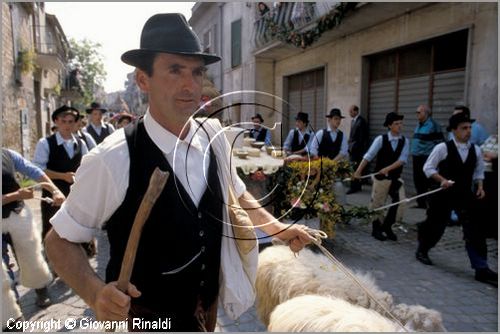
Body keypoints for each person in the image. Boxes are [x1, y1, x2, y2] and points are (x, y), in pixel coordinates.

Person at [44, 13, 311, 332]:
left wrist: (279, 229)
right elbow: (58, 241)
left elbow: (236, 195)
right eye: (175, 70)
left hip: (205, 315)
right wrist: (94, 293)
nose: (190, 85)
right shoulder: (112, 159)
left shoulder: (214, 138)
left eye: (197, 72)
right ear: (143, 80)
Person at [415, 113, 497, 287]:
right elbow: (428, 168)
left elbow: (478, 171)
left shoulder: (475, 149)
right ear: (454, 130)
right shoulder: (442, 148)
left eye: (469, 128)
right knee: (436, 225)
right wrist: (442, 180)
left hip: (465, 194)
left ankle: (481, 268)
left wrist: (480, 186)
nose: (468, 131)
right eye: (464, 128)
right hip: (444, 193)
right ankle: (422, 250)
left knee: (475, 230)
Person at [2, 148, 65, 308]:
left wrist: (54, 190)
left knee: (31, 256)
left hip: (17, 213)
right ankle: (12, 309)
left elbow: (33, 170)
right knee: (2, 271)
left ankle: (41, 290)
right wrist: (16, 196)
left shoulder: (7, 154)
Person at [33, 105, 89, 240]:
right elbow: (37, 170)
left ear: (76, 123)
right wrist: (62, 176)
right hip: (52, 194)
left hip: (75, 195)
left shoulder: (81, 144)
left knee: (75, 231)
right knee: (52, 230)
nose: (67, 125)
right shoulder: (45, 143)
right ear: (56, 122)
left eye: (71, 122)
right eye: (63, 121)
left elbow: (88, 167)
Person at [353, 112, 409, 241]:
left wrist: (388, 169)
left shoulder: (405, 141)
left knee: (400, 202)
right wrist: (358, 171)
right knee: (378, 203)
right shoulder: (381, 139)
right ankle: (376, 229)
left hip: (395, 177)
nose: (400, 126)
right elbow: (368, 156)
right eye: (396, 124)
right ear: (389, 125)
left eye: (401, 123)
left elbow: (402, 160)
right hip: (381, 178)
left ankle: (388, 226)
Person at [411, 105, 444, 208]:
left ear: (426, 113)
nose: (417, 114)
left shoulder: (433, 125)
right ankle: (421, 203)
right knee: (418, 180)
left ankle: (430, 204)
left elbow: (440, 143)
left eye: (419, 112)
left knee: (429, 180)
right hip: (416, 156)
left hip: (426, 157)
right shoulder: (419, 125)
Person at [347, 105, 369, 194]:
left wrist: (357, 149)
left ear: (356, 111)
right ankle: (357, 186)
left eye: (351, 111)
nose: (350, 113)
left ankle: (354, 187)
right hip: (352, 148)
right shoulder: (353, 121)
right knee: (353, 168)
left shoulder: (361, 121)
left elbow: (362, 138)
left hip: (357, 150)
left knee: (354, 168)